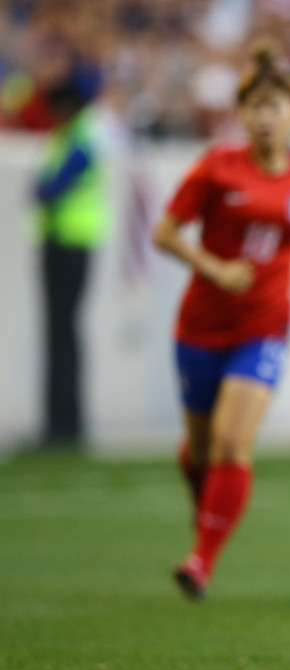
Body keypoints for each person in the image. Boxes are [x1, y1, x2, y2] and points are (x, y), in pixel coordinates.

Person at [151, 40, 290, 600]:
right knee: (202, 451)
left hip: (264, 328)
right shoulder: (215, 167)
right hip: (201, 327)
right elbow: (165, 233)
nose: (264, 117)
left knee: (234, 443)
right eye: (255, 107)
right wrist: (215, 268)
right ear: (241, 114)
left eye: (275, 106)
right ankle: (205, 519)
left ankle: (201, 561)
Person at [32, 61, 109, 448]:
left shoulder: (78, 139)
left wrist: (42, 190)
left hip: (69, 244)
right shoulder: (71, 137)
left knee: (61, 334)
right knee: (63, 334)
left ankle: (63, 423)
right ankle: (63, 420)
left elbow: (48, 190)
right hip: (68, 243)